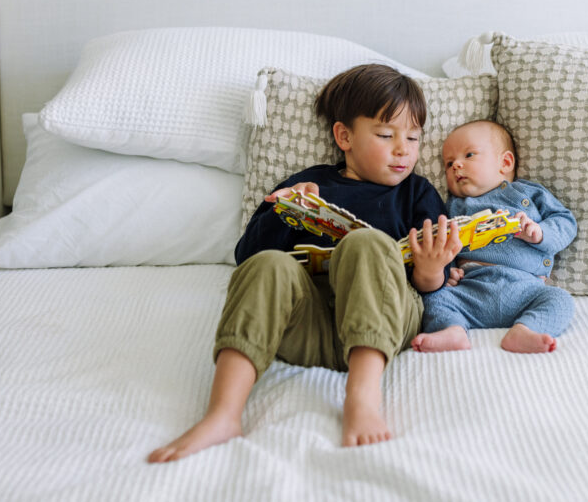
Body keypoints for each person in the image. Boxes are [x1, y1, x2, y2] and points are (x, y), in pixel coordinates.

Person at [148, 64, 462, 462]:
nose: (404, 149)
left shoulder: (417, 193)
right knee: (268, 266)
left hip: (385, 319)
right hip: (308, 328)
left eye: (414, 138)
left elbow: (430, 285)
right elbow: (248, 258)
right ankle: (223, 413)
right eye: (386, 135)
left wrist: (432, 270)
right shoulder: (308, 185)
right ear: (344, 136)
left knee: (366, 242)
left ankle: (362, 398)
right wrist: (285, 211)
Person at [411, 120, 577, 354]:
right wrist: (447, 270)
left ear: (505, 162)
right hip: (470, 289)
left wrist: (540, 234)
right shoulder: (452, 207)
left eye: (469, 155)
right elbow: (441, 242)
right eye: (448, 164)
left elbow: (566, 222)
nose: (456, 165)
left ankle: (526, 330)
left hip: (524, 288)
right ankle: (452, 330)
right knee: (434, 299)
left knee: (560, 300)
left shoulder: (528, 193)